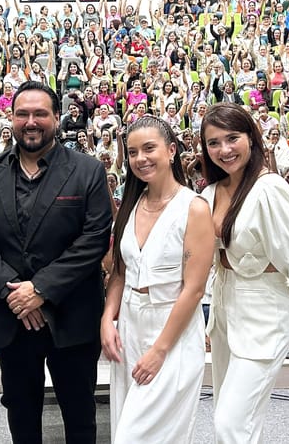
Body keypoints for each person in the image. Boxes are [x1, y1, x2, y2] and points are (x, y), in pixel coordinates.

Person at [0, 81, 113, 444]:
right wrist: (16, 292)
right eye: (23, 114)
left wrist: (41, 290)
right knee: (22, 416)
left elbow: (93, 240)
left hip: (71, 317)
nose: (31, 121)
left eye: (40, 113)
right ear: (10, 119)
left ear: (57, 119)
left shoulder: (87, 170)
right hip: (12, 317)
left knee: (79, 416)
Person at [198, 102, 289, 443]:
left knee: (230, 423)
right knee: (236, 418)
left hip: (266, 312)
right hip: (224, 311)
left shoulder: (270, 188)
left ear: (251, 137)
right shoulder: (209, 193)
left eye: (232, 138)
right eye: (213, 142)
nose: (224, 149)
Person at [101, 116, 213, 443]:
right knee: (124, 425)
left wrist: (160, 350)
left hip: (172, 330)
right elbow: (120, 271)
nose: (141, 158)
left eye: (149, 148)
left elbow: (193, 290)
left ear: (172, 150)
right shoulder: (131, 206)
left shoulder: (194, 207)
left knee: (139, 436)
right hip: (130, 327)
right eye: (133, 152)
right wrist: (108, 318)